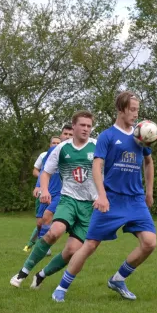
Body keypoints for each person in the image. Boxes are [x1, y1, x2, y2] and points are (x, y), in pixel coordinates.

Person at [51, 91, 156, 302]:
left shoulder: (140, 136)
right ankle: (61, 287)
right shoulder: (108, 136)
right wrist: (102, 195)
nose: (136, 114)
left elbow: (149, 162)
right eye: (132, 110)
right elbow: (97, 165)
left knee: (150, 243)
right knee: (89, 245)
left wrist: (149, 191)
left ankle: (118, 279)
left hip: (135, 199)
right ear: (120, 109)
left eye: (138, 110)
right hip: (112, 199)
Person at [10, 111, 97, 289]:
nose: (86, 129)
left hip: (89, 205)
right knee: (54, 232)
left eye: (89, 126)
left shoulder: (97, 146)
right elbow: (46, 172)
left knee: (72, 250)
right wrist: (44, 190)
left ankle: (41, 275)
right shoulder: (61, 149)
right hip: (68, 199)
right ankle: (22, 273)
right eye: (82, 125)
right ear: (73, 126)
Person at [23, 126, 73, 253]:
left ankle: (44, 248)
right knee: (40, 223)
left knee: (47, 216)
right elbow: (43, 171)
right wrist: (39, 186)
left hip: (62, 193)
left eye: (70, 134)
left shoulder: (75, 152)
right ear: (61, 135)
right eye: (65, 133)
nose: (67, 136)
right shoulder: (51, 152)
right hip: (47, 192)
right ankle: (40, 242)